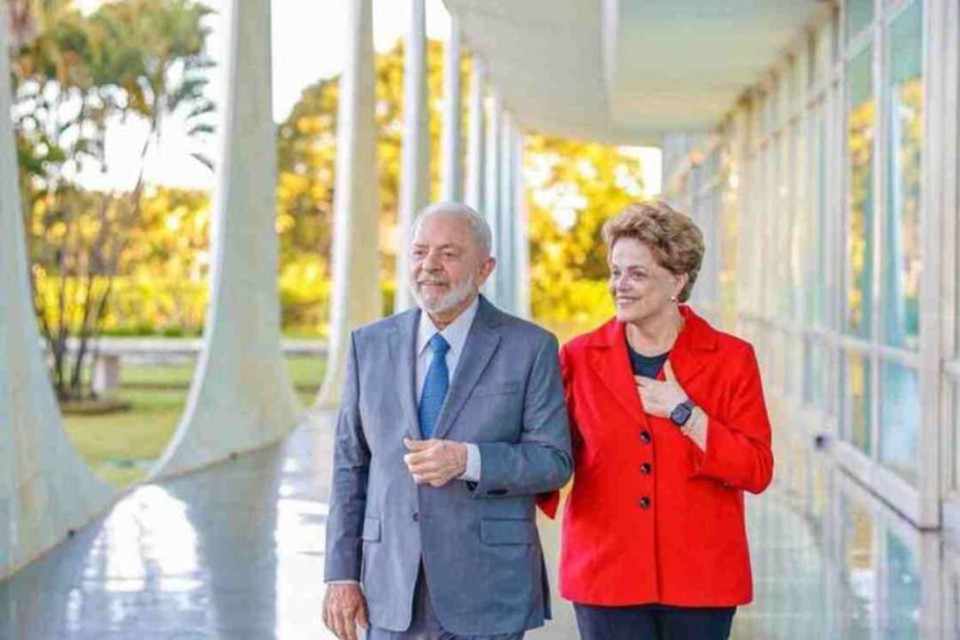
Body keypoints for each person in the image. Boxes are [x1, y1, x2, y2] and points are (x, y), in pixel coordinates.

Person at [322, 202, 573, 640]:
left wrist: (468, 460)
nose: (429, 266)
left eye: (449, 254)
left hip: (489, 589)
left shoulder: (530, 347)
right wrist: (341, 575)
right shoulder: (369, 345)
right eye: (419, 252)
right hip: (391, 587)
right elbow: (350, 468)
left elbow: (553, 461)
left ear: (484, 268)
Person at [553, 201, 774, 640]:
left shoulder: (732, 359)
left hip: (701, 579)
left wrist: (687, 414)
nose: (620, 285)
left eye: (637, 273)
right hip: (606, 576)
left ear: (678, 279)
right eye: (616, 272)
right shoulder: (577, 357)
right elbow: (549, 455)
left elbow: (757, 469)